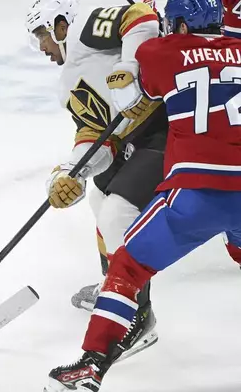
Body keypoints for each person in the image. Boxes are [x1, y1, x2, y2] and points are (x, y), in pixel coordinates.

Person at [44, 0, 240, 389]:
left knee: (128, 266)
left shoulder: (156, 52)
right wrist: (72, 170)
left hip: (196, 193)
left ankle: (94, 361)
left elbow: (140, 37)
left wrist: (128, 70)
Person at [25, 0, 164, 354]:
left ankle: (138, 315)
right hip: (138, 138)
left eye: (42, 34)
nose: (42, 46)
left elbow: (141, 18)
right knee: (98, 196)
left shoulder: (86, 27)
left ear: (60, 24)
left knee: (117, 213)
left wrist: (129, 68)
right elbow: (96, 136)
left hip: (168, 125)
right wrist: (71, 173)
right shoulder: (69, 82)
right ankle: (113, 287)